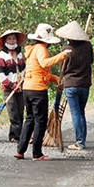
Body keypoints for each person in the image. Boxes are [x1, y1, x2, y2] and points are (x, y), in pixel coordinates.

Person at [15, 23, 70, 161]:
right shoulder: (41, 49)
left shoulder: (32, 49)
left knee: (30, 119)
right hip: (38, 90)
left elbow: (39, 69)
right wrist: (62, 56)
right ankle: (37, 153)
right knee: (40, 121)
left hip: (28, 88)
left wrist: (55, 79)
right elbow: (45, 63)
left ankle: (20, 150)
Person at [55, 21, 94, 150]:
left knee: (76, 113)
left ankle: (80, 142)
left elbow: (62, 69)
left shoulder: (66, 50)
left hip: (71, 84)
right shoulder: (88, 46)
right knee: (81, 112)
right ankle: (82, 140)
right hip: (85, 84)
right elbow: (91, 61)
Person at [0, 29, 26, 142]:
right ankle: (14, 136)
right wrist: (12, 85)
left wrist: (23, 81)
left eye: (14, 38)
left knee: (20, 111)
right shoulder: (2, 55)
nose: (12, 41)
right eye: (9, 39)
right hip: (9, 89)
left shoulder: (19, 54)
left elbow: (24, 69)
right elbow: (1, 75)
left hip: (21, 86)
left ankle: (21, 135)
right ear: (5, 41)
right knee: (13, 113)